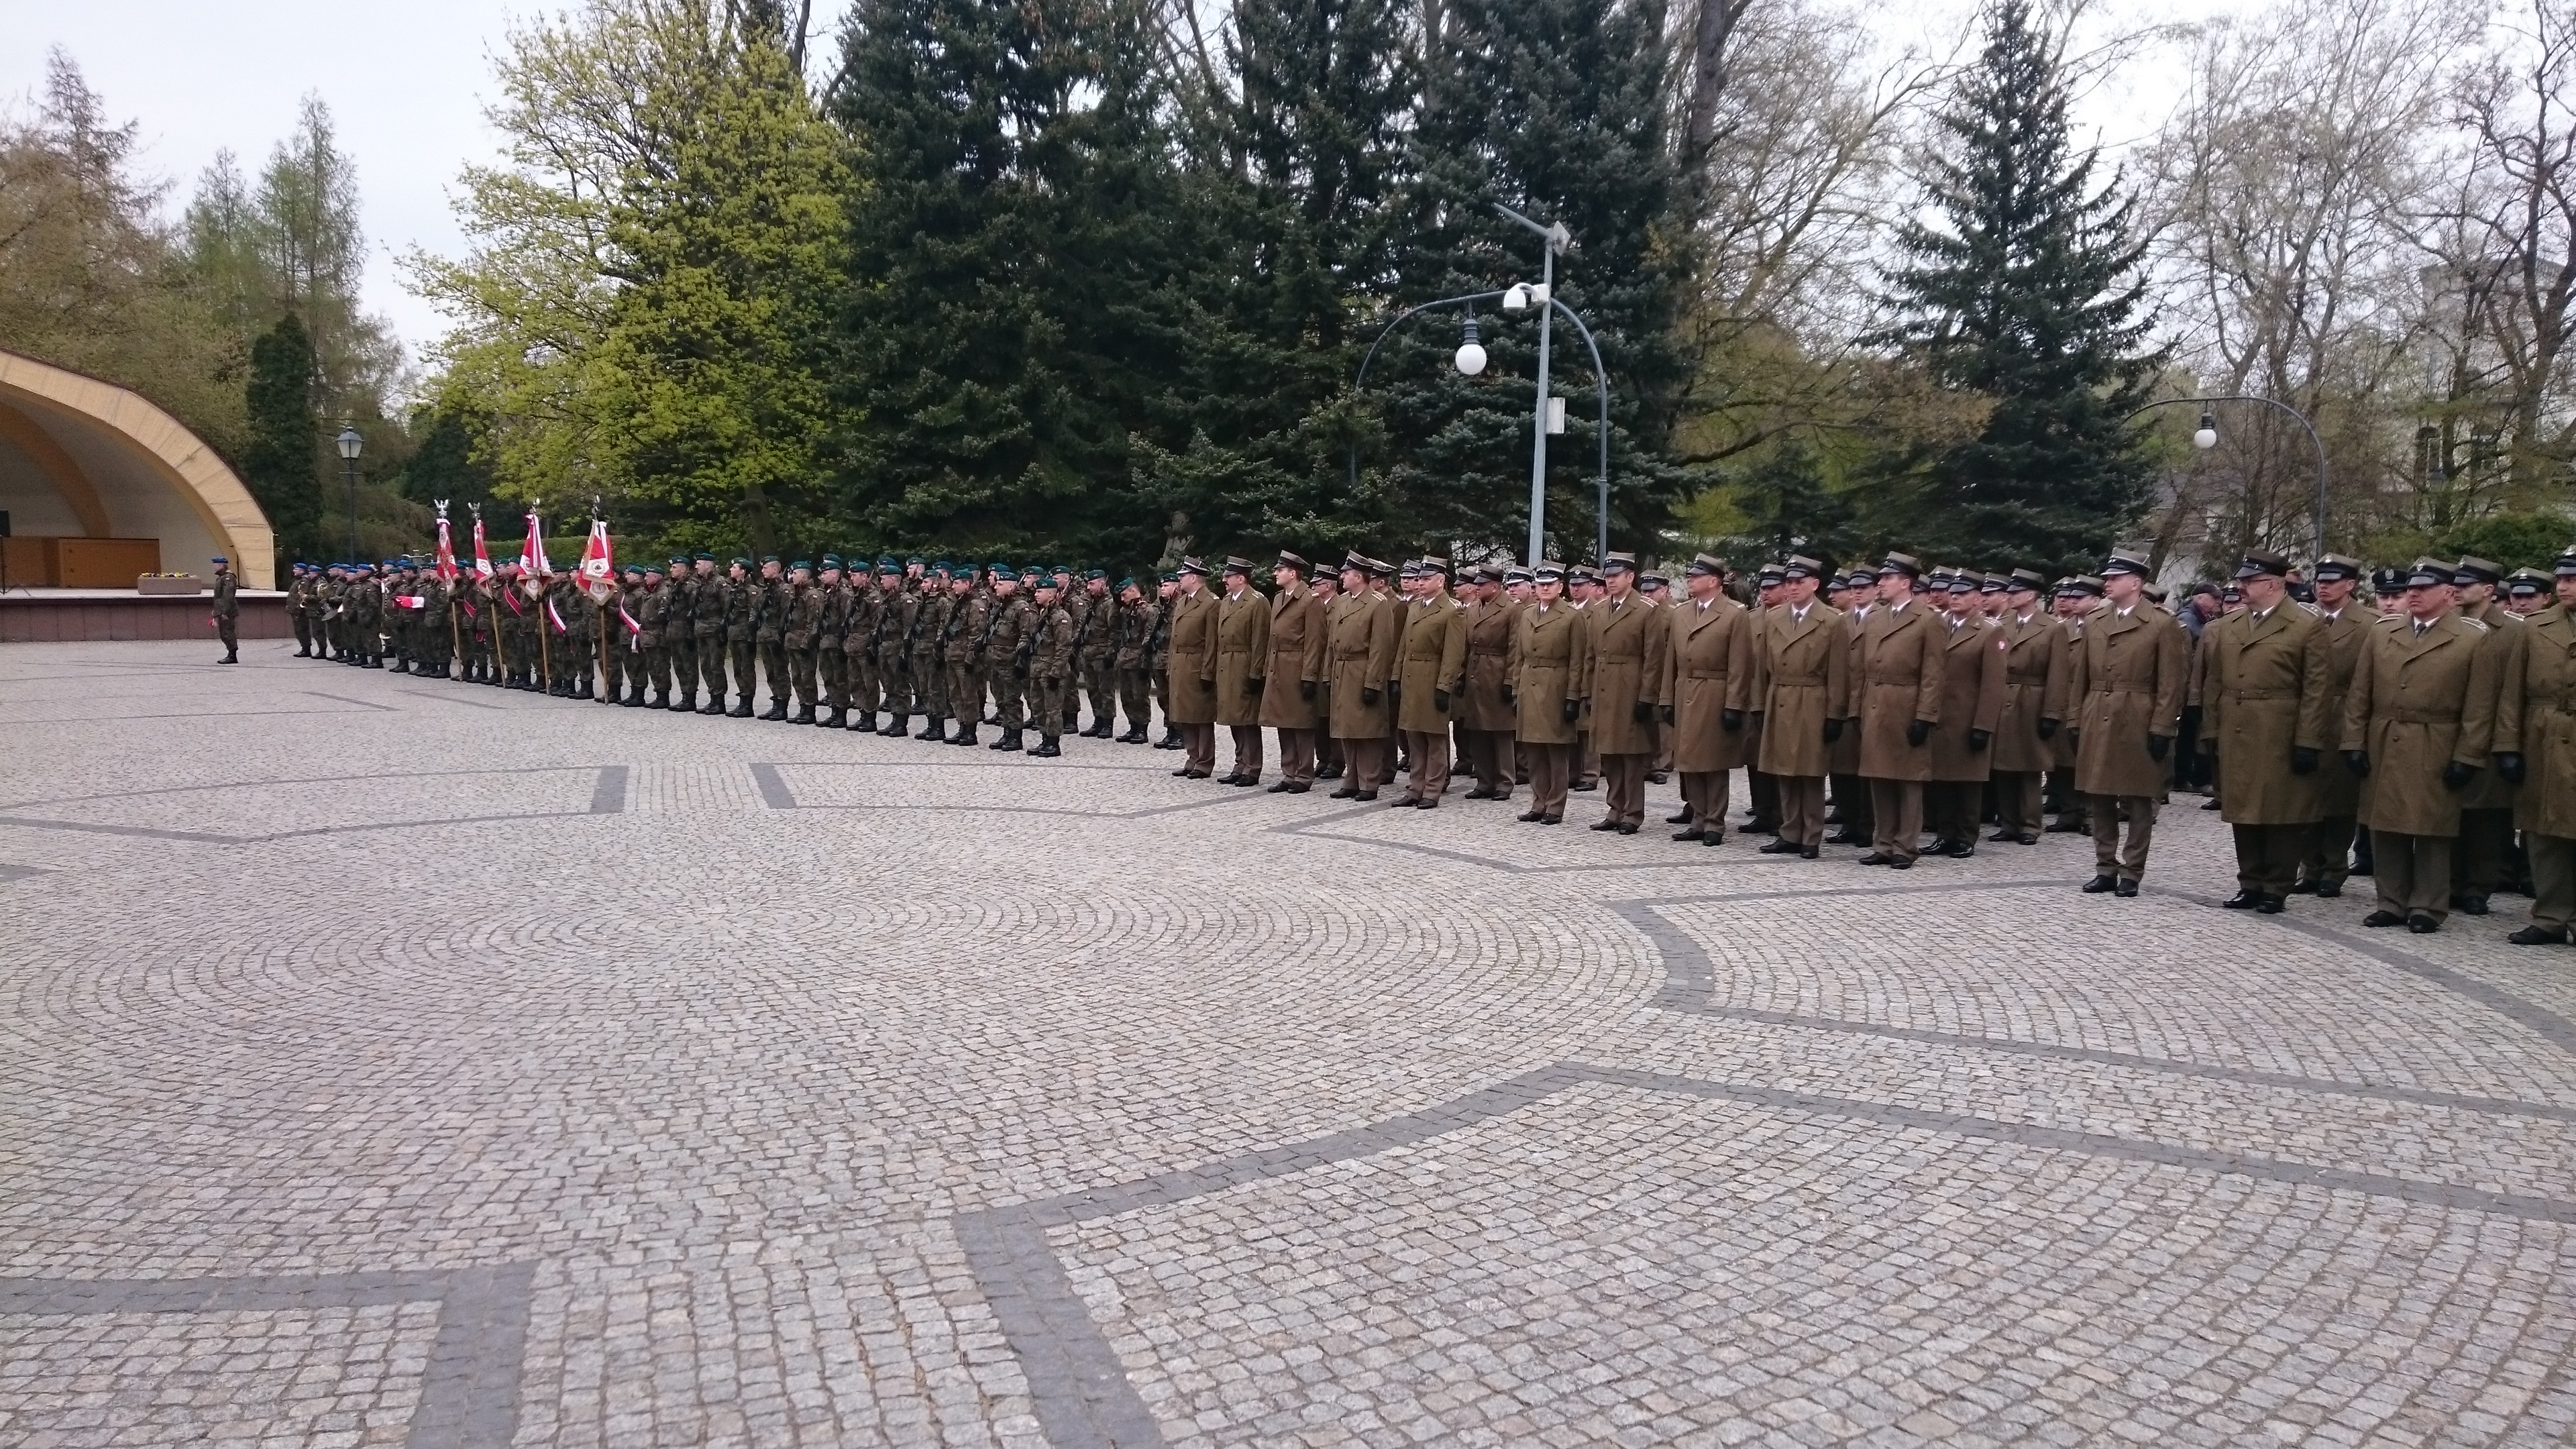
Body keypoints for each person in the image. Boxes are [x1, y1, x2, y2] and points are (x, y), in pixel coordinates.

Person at [2344, 557, 2500, 932]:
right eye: (2411, 588)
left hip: (2438, 739)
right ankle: (2391, 902)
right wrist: (2353, 741)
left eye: (2423, 588)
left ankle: (2428, 907)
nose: (2413, 593)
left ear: (2448, 593)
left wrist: (2468, 755)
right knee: (2385, 824)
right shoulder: (2382, 633)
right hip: (2386, 736)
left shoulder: (2473, 639)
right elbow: (2359, 694)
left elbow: (2479, 707)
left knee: (2432, 827)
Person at [2198, 549, 2332, 912]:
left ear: (2273, 584)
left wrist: (2308, 739)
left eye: (2249, 581)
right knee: (2243, 809)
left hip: (2280, 728)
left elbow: (2317, 688)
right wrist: (2210, 730)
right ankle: (2250, 881)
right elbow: (2214, 683)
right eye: (2240, 580)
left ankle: (2276, 885)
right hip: (2238, 727)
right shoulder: (2229, 626)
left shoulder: (2307, 624)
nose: (2240, 586)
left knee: (2282, 811)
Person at [2069, 549, 2188, 896]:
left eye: (2114, 578)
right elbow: (2081, 677)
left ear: (2136, 583)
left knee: (2138, 797)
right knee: (2100, 794)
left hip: (2139, 713)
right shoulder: (2094, 620)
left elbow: (2170, 683)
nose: (2107, 583)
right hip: (2098, 710)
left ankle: (2132, 871)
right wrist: (2075, 717)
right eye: (2106, 578)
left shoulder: (2162, 623)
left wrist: (2163, 726)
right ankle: (2105, 866)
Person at [2497, 548, 2576, 943]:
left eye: (2572, 580)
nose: (2564, 586)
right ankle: (2551, 916)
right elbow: (2512, 694)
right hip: (2543, 736)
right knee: (2545, 831)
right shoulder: (2536, 627)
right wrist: (2509, 747)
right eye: (2561, 579)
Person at [1751, 554, 1845, 857]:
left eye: (1798, 582)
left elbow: (1839, 672)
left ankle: (1811, 836)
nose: (1792, 588)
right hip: (1780, 697)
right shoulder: (1774, 617)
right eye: (1788, 582)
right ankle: (1789, 831)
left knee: (1809, 772)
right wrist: (1758, 704)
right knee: (1783, 771)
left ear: (1815, 585)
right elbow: (1762, 668)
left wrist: (1834, 714)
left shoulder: (1832, 621)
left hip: (1812, 699)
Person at [1855, 553, 1942, 868]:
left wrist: (1925, 716)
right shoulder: (1875, 618)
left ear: (1906, 583)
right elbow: (1860, 670)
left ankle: (1906, 846)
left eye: (1887, 578)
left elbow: (1933, 673)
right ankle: (1884, 843)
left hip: (1907, 704)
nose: (1880, 583)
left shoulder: (1929, 619)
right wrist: (1857, 709)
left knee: (1908, 780)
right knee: (1880, 777)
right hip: (1876, 701)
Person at [1660, 553, 1754, 844]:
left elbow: (1741, 664)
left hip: (1715, 691)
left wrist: (1734, 704)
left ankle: (1714, 823)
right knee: (1689, 761)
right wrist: (1666, 698)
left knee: (1713, 762)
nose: (1690, 580)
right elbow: (1670, 661)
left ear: (1714, 581)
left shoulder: (1735, 614)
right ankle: (1698, 819)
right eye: (1689, 576)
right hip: (1685, 688)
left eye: (1696, 576)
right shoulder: (1682, 612)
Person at [2449, 557, 2521, 914]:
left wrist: (2509, 744)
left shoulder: (2514, 631)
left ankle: (2478, 886)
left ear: (2489, 590)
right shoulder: (2447, 625)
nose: (2458, 589)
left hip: (2493, 733)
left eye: (2467, 585)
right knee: (2450, 812)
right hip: (2449, 732)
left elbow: (2514, 690)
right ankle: (2450, 883)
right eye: (2456, 584)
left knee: (2488, 820)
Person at [1924, 569, 2005, 857]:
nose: (1955, 598)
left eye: (1963, 594)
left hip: (1968, 716)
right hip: (1940, 716)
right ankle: (1944, 834)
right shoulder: (1938, 624)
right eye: (1953, 593)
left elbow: (1993, 683)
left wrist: (1984, 724)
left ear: (1977, 599)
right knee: (1942, 779)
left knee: (1968, 781)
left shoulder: (1989, 630)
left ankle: (1966, 836)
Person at [1585, 554, 1665, 833]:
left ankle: (1633, 813)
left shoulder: (1646, 610)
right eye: (1607, 576)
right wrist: (1587, 690)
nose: (1610, 580)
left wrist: (1646, 696)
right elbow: (1590, 655)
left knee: (1631, 756)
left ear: (1631, 577)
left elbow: (1654, 658)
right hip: (1604, 686)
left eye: (1616, 576)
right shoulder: (1599, 609)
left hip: (1630, 686)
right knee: (1609, 752)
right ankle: (1615, 809)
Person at [1989, 569, 2063, 845]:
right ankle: (2008, 822)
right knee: (2003, 764)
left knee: (2030, 765)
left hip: (2033, 698)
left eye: (2016, 592)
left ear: (2032, 595)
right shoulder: (2001, 624)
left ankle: (2030, 825)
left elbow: (2057, 673)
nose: (2010, 595)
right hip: (2004, 695)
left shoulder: (2053, 627)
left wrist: (2051, 712)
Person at [1510, 562, 1588, 824]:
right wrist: (1515, 688)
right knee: (1533, 749)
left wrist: (1573, 696)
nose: (1544, 588)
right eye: (1540, 584)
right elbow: (1519, 655)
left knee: (1555, 750)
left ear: (1560, 587)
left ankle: (1555, 805)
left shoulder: (1571, 616)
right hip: (1529, 684)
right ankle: (1538, 801)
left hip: (1556, 685)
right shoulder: (1528, 614)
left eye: (1550, 584)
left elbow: (1578, 660)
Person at [1393, 559, 1468, 808]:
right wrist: (1396, 677)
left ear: (1440, 581)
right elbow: (1404, 645)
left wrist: (1445, 686)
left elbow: (1453, 653)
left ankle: (1432, 789)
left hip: (1432, 677)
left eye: (1426, 579)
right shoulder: (1415, 606)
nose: (1420, 583)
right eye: (1419, 579)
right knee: (1414, 735)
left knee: (1434, 737)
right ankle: (1416, 787)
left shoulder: (1451, 610)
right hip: (1412, 677)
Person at [1326, 554, 1397, 799]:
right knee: (1347, 729)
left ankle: (1369, 782)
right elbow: (1331, 642)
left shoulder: (1378, 604)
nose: (1342, 577)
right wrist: (1329, 673)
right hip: (1342, 669)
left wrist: (1373, 682)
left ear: (1359, 577)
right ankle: (1352, 779)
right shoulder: (1343, 601)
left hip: (1362, 669)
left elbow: (1381, 647)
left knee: (1366, 731)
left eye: (1347, 574)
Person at [1260, 552, 1326, 793]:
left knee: (1301, 724)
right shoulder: (1278, 598)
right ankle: (1289, 772)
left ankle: (1304, 774)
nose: (1275, 573)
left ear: (1293, 573)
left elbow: (1314, 642)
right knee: (1282, 722)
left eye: (1280, 570)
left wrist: (1309, 676)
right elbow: (1272, 637)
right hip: (1279, 666)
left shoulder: (1311, 600)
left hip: (1297, 667)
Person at [1458, 567, 1520, 802]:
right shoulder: (1473, 607)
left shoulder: (1512, 609)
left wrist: (1509, 681)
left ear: (1495, 586)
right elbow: (1465, 645)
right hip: (1476, 670)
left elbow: (1516, 647)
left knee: (1501, 731)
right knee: (1477, 730)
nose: (1477, 588)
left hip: (1497, 669)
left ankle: (1505, 782)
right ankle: (1484, 781)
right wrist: (1462, 674)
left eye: (1481, 585)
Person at [1214, 557, 1271, 784]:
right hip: (1227, 663)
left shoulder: (1257, 602)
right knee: (1233, 718)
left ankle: (1252, 767)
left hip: (1244, 663)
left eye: (1229, 576)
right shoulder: (1227, 601)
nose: (1224, 580)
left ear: (1241, 578)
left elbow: (1260, 639)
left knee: (1247, 719)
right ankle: (1240, 764)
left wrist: (1256, 672)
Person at [1165, 558, 1221, 777]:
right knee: (1185, 714)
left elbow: (1212, 641)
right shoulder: (1183, 601)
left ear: (1194, 578)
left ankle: (1205, 761)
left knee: (1201, 715)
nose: (1179, 579)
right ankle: (1192, 757)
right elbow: (1174, 639)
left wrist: (1208, 671)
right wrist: (1171, 665)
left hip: (1197, 663)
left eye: (1183, 576)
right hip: (1181, 663)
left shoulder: (1211, 603)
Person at [210, 557, 239, 663]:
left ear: (221, 565)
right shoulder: (222, 577)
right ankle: (230, 654)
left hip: (227, 611)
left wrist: (224, 612)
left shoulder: (228, 578)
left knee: (228, 633)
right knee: (224, 634)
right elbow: (218, 597)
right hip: (221, 610)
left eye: (216, 565)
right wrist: (216, 611)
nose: (214, 567)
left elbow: (228, 596)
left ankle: (232, 656)